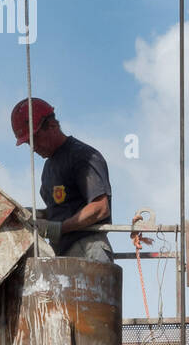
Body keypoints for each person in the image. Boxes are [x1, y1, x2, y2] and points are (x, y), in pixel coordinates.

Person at [10, 97, 113, 262]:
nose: (33, 147)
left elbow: (100, 207)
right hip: (63, 254)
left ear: (52, 126)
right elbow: (63, 209)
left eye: (35, 139)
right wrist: (39, 215)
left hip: (89, 250)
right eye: (29, 143)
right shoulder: (48, 169)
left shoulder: (82, 156)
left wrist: (58, 228)